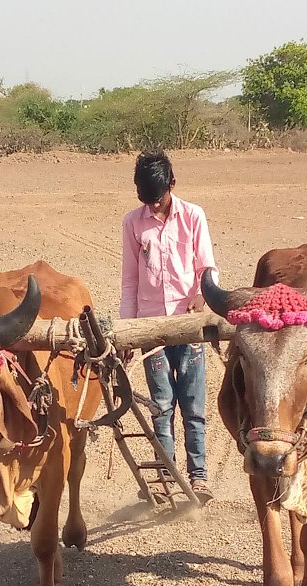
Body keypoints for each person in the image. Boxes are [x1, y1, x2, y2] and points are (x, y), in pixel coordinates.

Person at [119, 150, 218, 506]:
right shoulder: (133, 223)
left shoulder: (193, 216)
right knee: (161, 404)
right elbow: (130, 282)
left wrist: (201, 297)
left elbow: (207, 268)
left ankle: (199, 478)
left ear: (172, 185)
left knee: (192, 405)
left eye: (158, 200)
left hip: (188, 325)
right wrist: (128, 332)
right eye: (146, 200)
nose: (154, 208)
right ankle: (165, 479)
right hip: (151, 330)